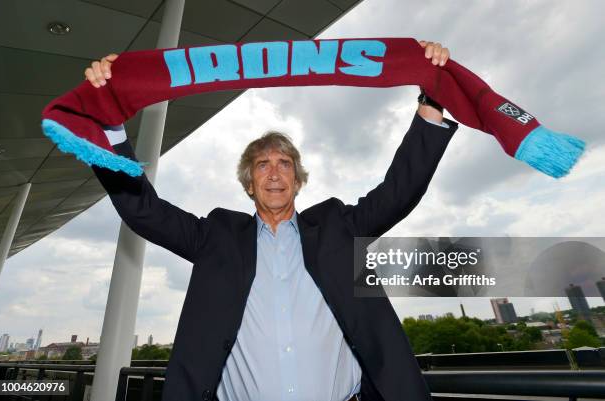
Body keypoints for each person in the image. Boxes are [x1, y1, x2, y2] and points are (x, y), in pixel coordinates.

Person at [87, 41, 456, 401]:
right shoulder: (215, 235)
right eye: (263, 165)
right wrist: (109, 125)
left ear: (298, 180)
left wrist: (432, 99)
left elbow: (399, 191)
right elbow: (143, 210)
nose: (275, 173)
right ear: (250, 183)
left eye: (284, 164)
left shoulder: (337, 226)